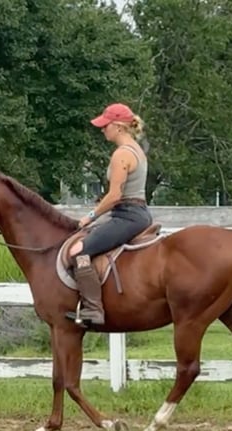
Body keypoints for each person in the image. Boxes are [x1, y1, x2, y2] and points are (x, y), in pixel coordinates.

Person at [67, 102, 153, 326]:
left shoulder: (121, 155)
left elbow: (115, 195)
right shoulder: (137, 150)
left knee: (77, 251)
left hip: (127, 216)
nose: (102, 129)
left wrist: (90, 216)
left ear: (118, 127)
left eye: (105, 125)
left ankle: (94, 310)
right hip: (136, 212)